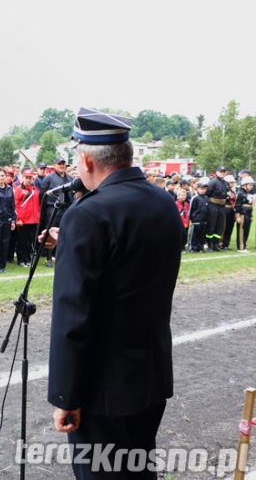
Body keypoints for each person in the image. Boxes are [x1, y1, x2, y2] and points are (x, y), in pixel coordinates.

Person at [44, 108, 182, 479]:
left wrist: (65, 396)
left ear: (88, 160)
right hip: (150, 374)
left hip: (102, 387)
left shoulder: (87, 215)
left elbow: (74, 315)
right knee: (139, 471)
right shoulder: (164, 203)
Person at [38, 155, 73, 267]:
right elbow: (42, 195)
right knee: (51, 232)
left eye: (64, 163)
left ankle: (62, 255)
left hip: (66, 208)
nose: (62, 165)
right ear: (55, 165)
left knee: (65, 232)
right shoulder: (49, 178)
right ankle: (48, 257)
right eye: (60, 163)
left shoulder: (70, 178)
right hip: (53, 209)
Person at [13, 168, 40, 267]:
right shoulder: (19, 189)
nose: (28, 180)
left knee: (30, 241)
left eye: (30, 178)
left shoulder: (35, 189)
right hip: (23, 220)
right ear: (22, 177)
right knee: (22, 241)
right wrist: (18, 218)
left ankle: (27, 259)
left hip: (34, 220)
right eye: (26, 177)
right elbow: (15, 205)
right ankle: (21, 259)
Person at [205, 165, 230, 251]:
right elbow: (207, 194)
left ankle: (216, 244)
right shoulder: (213, 182)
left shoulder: (226, 183)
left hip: (222, 206)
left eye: (224, 172)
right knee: (212, 225)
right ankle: (209, 244)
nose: (222, 173)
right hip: (213, 205)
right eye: (221, 172)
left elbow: (227, 194)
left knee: (220, 225)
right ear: (217, 172)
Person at [235, 176, 254, 250]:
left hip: (248, 214)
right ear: (244, 185)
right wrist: (238, 216)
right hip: (242, 214)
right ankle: (240, 246)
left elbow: (250, 206)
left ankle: (244, 244)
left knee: (246, 230)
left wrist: (251, 215)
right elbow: (237, 206)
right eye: (250, 185)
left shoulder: (248, 194)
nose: (251, 187)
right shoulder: (240, 193)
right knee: (241, 230)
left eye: (252, 185)